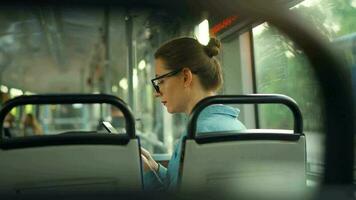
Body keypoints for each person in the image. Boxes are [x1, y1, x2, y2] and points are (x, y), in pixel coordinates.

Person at [141, 37, 246, 190]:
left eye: (161, 81)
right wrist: (154, 168)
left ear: (185, 77)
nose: (157, 93)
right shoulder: (235, 125)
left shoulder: (195, 137)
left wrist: (147, 175)